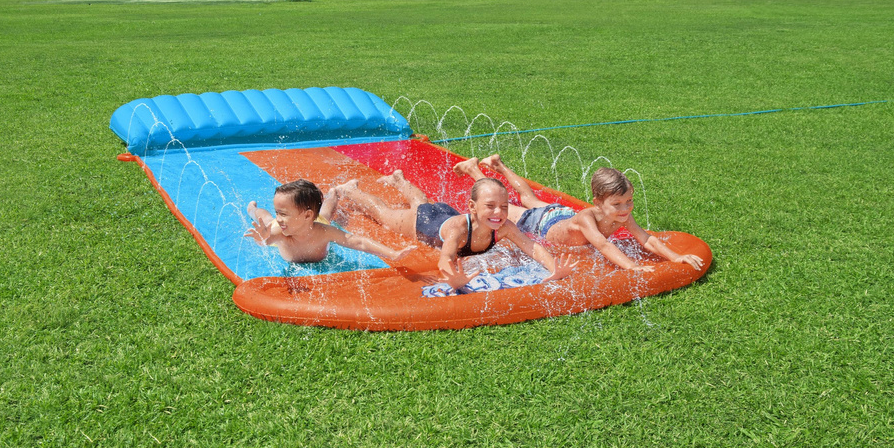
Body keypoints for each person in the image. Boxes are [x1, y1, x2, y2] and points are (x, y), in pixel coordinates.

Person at [453, 155, 704, 273]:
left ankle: (498, 165)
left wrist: (676, 257)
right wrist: (633, 267)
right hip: (543, 223)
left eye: (629, 201)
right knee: (505, 207)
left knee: (530, 199)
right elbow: (603, 245)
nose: (625, 208)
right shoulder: (587, 218)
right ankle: (475, 170)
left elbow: (646, 238)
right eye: (617, 204)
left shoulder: (622, 215)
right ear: (598, 203)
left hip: (562, 214)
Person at [334, 171, 576, 290]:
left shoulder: (504, 227)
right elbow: (445, 258)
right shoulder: (459, 231)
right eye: (490, 206)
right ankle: (350, 190)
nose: (498, 213)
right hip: (423, 222)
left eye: (504, 207)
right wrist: (454, 278)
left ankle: (399, 181)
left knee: (422, 202)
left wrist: (553, 267)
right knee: (385, 215)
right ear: (472, 207)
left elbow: (531, 247)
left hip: (444, 213)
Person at [245, 179, 414, 264]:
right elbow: (266, 241)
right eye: (278, 212)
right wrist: (261, 237)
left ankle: (335, 193)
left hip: (315, 222)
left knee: (326, 213)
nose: (279, 218)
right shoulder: (279, 231)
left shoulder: (324, 232)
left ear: (307, 216)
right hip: (291, 225)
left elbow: (358, 242)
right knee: (267, 219)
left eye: (283, 213)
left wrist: (392, 254)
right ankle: (252, 209)